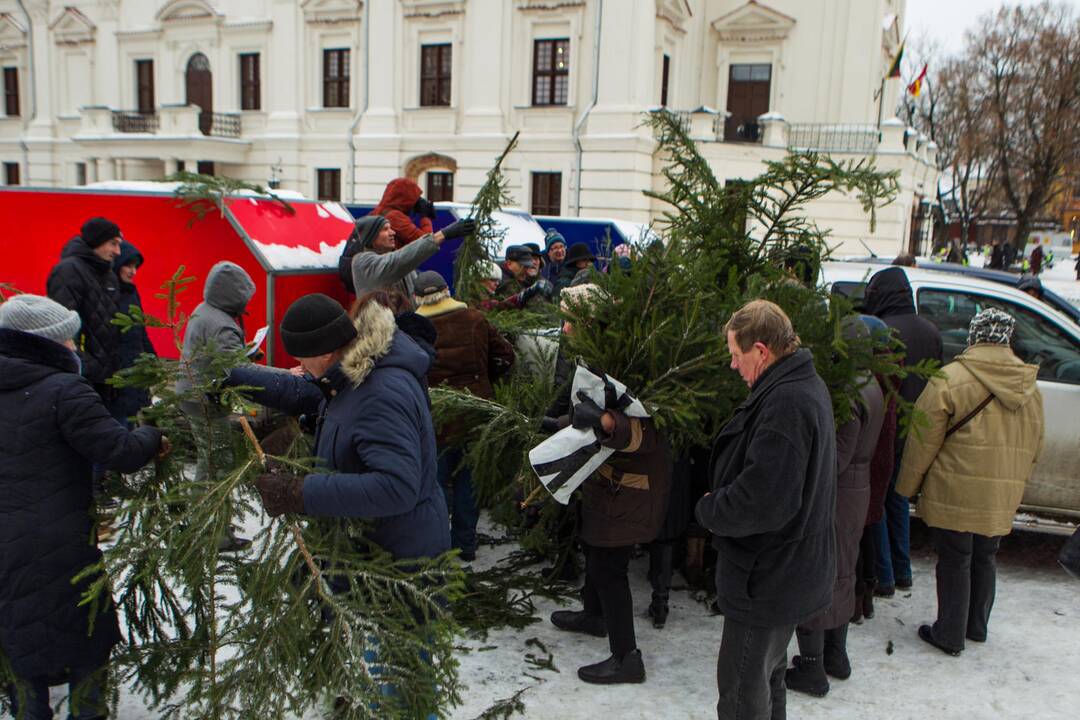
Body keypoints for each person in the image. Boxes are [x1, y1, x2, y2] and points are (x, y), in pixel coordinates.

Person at [0, 294, 166, 720]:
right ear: (46, 345)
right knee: (87, 641)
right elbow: (120, 450)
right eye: (69, 342)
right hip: (60, 547)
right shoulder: (64, 390)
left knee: (19, 645)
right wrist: (154, 433)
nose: (76, 349)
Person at [695, 299, 836, 720]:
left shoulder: (786, 403)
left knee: (742, 694)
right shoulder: (798, 386)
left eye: (737, 356)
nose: (733, 366)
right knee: (769, 675)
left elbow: (763, 501)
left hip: (768, 579)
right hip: (784, 573)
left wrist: (710, 510)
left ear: (761, 351)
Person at [232, 294, 450, 563]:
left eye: (302, 358)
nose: (300, 367)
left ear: (324, 352)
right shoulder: (347, 377)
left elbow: (397, 487)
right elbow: (349, 442)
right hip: (367, 549)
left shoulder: (379, 393)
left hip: (395, 561)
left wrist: (300, 492)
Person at [897, 308, 1043, 656]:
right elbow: (1036, 445)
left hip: (955, 488)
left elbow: (922, 439)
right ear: (1007, 339)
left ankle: (949, 632)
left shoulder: (949, 379)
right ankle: (976, 625)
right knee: (985, 555)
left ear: (974, 337)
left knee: (955, 558)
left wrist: (906, 487)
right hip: (1000, 492)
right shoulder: (1029, 387)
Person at [546, 284, 672, 685]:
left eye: (570, 320)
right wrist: (565, 423)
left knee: (608, 565)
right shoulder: (599, 357)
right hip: (608, 483)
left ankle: (626, 657)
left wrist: (602, 422)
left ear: (589, 322)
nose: (564, 329)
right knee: (595, 547)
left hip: (630, 489)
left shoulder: (631, 361)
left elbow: (647, 433)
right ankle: (594, 615)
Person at [786, 318, 885, 698]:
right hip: (857, 491)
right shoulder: (871, 384)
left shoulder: (846, 392)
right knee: (843, 568)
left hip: (835, 492)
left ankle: (812, 667)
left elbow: (837, 456)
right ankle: (836, 655)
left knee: (817, 571)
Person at [414, 271, 515, 561]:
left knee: (437, 482)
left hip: (437, 416)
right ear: (447, 291)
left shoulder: (415, 327)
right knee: (469, 482)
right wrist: (484, 380)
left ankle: (438, 545)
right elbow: (506, 356)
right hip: (476, 413)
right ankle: (466, 544)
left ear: (418, 298)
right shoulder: (474, 319)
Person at [861, 267, 943, 597]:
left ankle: (883, 575)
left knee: (877, 502)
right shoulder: (931, 330)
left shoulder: (884, 331)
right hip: (918, 429)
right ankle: (903, 568)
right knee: (899, 500)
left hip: (885, 427)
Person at [176, 261, 258, 552]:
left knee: (207, 462)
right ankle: (213, 532)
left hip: (194, 395)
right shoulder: (223, 323)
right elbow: (236, 372)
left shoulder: (205, 310)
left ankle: (202, 522)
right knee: (217, 466)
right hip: (207, 401)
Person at [46, 217, 123, 395]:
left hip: (108, 377)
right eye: (113, 243)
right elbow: (63, 326)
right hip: (84, 376)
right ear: (97, 241)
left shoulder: (108, 273)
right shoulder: (69, 270)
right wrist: (85, 366)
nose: (118, 251)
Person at [350, 214, 475, 305]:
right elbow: (399, 260)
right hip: (380, 335)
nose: (393, 232)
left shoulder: (398, 262)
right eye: (385, 229)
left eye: (391, 228)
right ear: (371, 237)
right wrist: (443, 234)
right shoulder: (362, 263)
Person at [110, 240, 156, 427]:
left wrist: (151, 359)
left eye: (135, 266)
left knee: (131, 420)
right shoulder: (108, 294)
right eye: (128, 265)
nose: (133, 271)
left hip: (135, 367)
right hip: (117, 373)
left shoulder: (131, 293)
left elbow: (140, 330)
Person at [370, 177, 437, 248]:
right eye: (414, 197)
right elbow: (427, 243)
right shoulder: (394, 216)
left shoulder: (377, 211)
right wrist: (425, 217)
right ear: (407, 198)